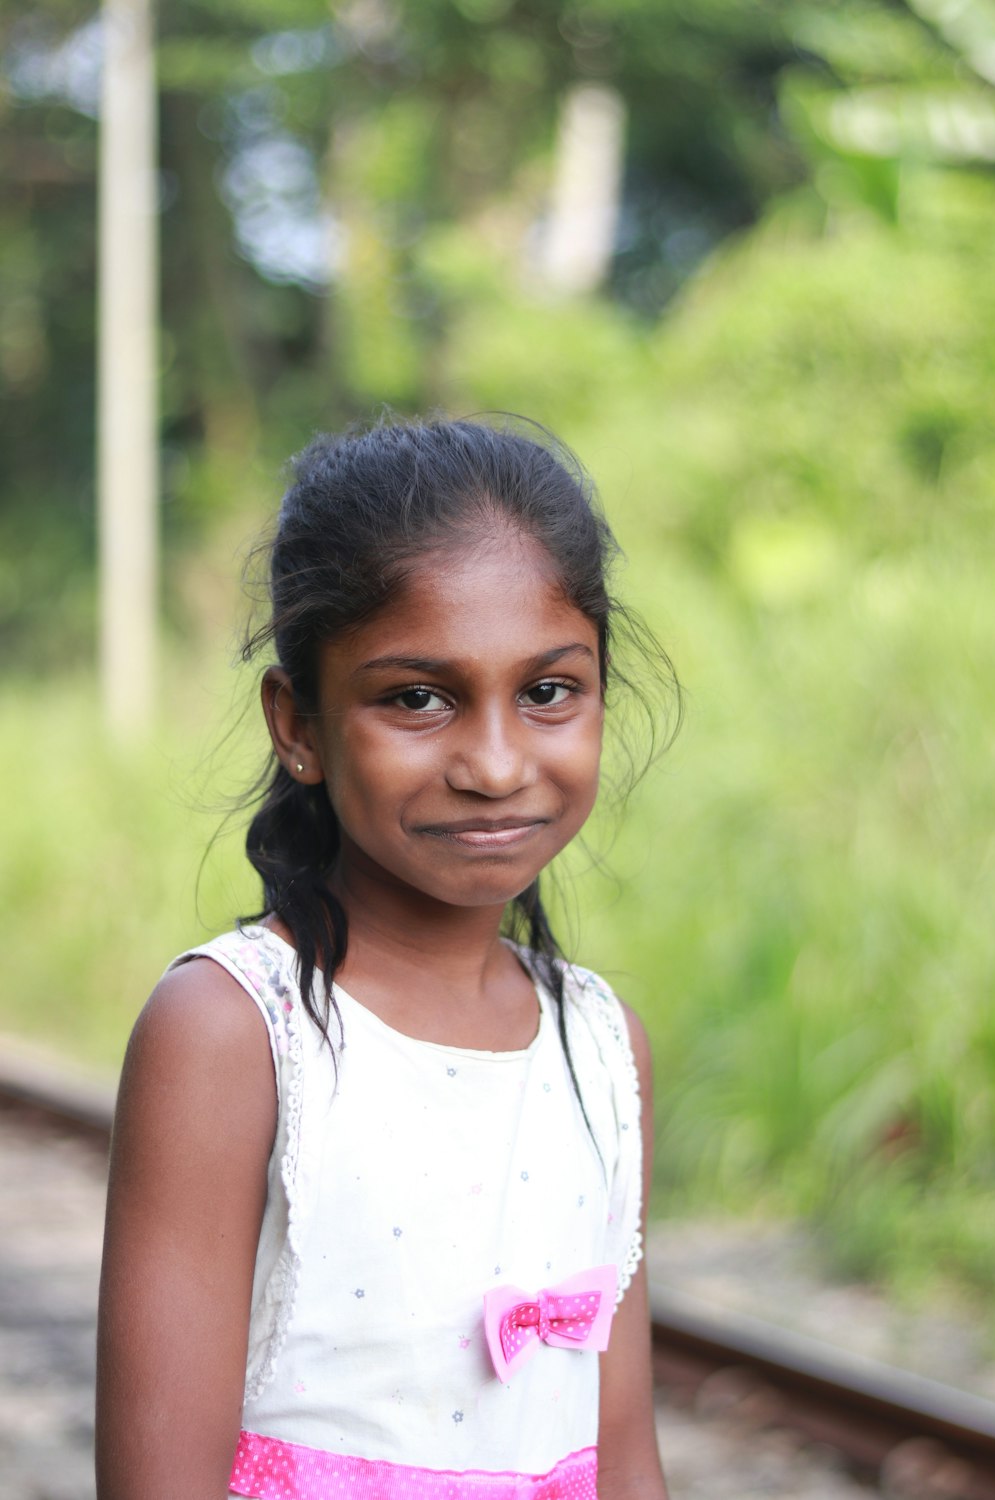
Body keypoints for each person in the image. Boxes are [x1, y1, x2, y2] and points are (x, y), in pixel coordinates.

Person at [96, 416, 675, 1500]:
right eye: (417, 698)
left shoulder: (603, 1048)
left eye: (549, 691)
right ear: (300, 725)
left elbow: (624, 1454)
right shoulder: (232, 1035)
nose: (497, 765)